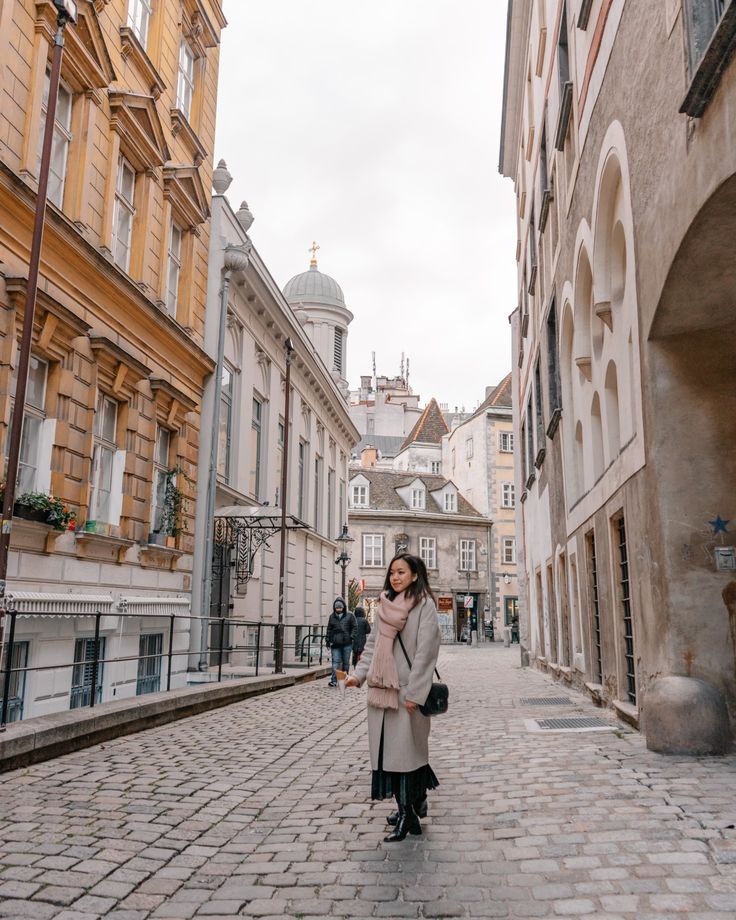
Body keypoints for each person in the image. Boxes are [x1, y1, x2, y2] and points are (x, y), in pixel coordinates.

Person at [345, 553, 441, 843]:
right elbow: (371, 648)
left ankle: (408, 814)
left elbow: (426, 653)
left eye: (401, 572)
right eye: (392, 573)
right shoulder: (385, 607)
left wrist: (415, 693)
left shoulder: (424, 605)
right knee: (392, 756)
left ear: (414, 575)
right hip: (381, 693)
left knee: (405, 757)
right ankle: (409, 808)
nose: (395, 577)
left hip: (406, 694)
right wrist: (358, 676)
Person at [325, 597, 356, 687]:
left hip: (347, 643)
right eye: (337, 608)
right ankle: (333, 680)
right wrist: (327, 640)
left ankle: (344, 680)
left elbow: (355, 627)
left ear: (343, 607)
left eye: (340, 608)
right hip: (335, 643)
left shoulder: (350, 616)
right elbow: (329, 629)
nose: (338, 609)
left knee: (346, 662)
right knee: (335, 662)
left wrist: (351, 636)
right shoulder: (332, 616)